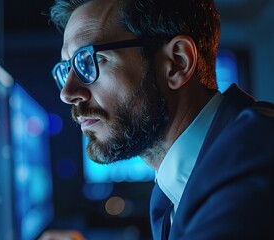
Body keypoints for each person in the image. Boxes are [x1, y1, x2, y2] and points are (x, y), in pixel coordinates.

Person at [39, 0, 274, 239]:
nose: (67, 93)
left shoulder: (255, 161)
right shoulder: (175, 188)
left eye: (90, 61)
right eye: (66, 69)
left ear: (177, 63)